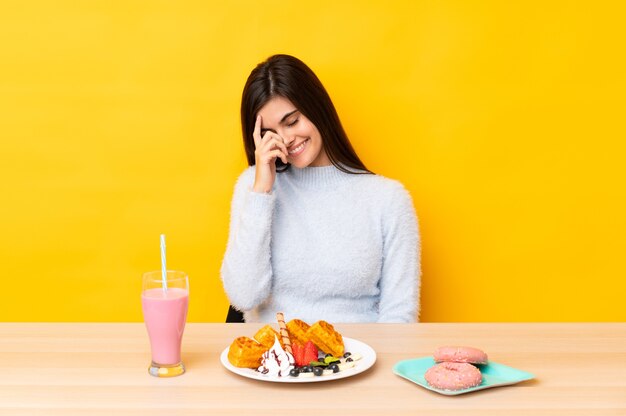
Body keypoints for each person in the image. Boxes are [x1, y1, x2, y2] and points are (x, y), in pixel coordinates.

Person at [220, 54, 420, 323]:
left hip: (359, 360)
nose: (287, 139)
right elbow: (243, 298)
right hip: (275, 359)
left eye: (292, 122)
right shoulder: (254, 187)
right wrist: (261, 192)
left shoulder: (388, 200)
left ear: (317, 108)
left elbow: (399, 318)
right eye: (272, 133)